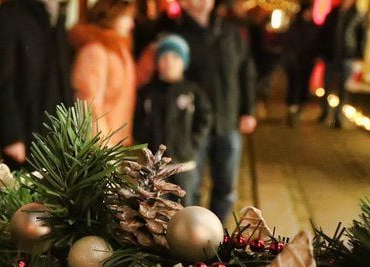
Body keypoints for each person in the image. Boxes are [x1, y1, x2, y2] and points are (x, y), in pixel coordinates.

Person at [164, 0, 257, 223]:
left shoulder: (230, 32)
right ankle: (192, 238)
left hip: (228, 121)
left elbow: (246, 71)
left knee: (226, 188)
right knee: (190, 186)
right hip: (192, 126)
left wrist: (248, 110)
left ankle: (215, 235)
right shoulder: (177, 35)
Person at [0, 0, 74, 168]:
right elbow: (2, 81)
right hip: (29, 127)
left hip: (59, 128)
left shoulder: (56, 15)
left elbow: (63, 77)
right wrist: (12, 136)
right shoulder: (6, 16)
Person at [134, 34, 213, 206]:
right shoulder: (148, 93)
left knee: (187, 206)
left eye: (175, 57)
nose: (169, 62)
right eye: (165, 57)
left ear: (184, 62)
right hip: (156, 167)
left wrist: (192, 143)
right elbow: (139, 121)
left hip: (185, 165)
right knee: (156, 209)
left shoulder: (192, 92)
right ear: (157, 62)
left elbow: (205, 118)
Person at [69, 0, 137, 143]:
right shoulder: (95, 50)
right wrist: (102, 145)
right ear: (111, 16)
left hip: (118, 141)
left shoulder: (119, 49)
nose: (131, 24)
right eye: (126, 17)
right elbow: (88, 101)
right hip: (104, 145)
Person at [317, 0, 366, 128]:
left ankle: (338, 117)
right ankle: (325, 112)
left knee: (343, 88)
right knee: (327, 86)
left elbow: (362, 36)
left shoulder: (358, 14)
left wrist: (359, 55)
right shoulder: (333, 13)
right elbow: (323, 33)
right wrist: (321, 51)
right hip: (331, 55)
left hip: (347, 56)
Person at [282, 3, 318, 126]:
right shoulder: (294, 26)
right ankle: (292, 109)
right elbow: (288, 43)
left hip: (307, 62)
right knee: (293, 85)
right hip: (294, 62)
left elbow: (316, 44)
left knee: (304, 85)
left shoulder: (314, 27)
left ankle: (300, 108)